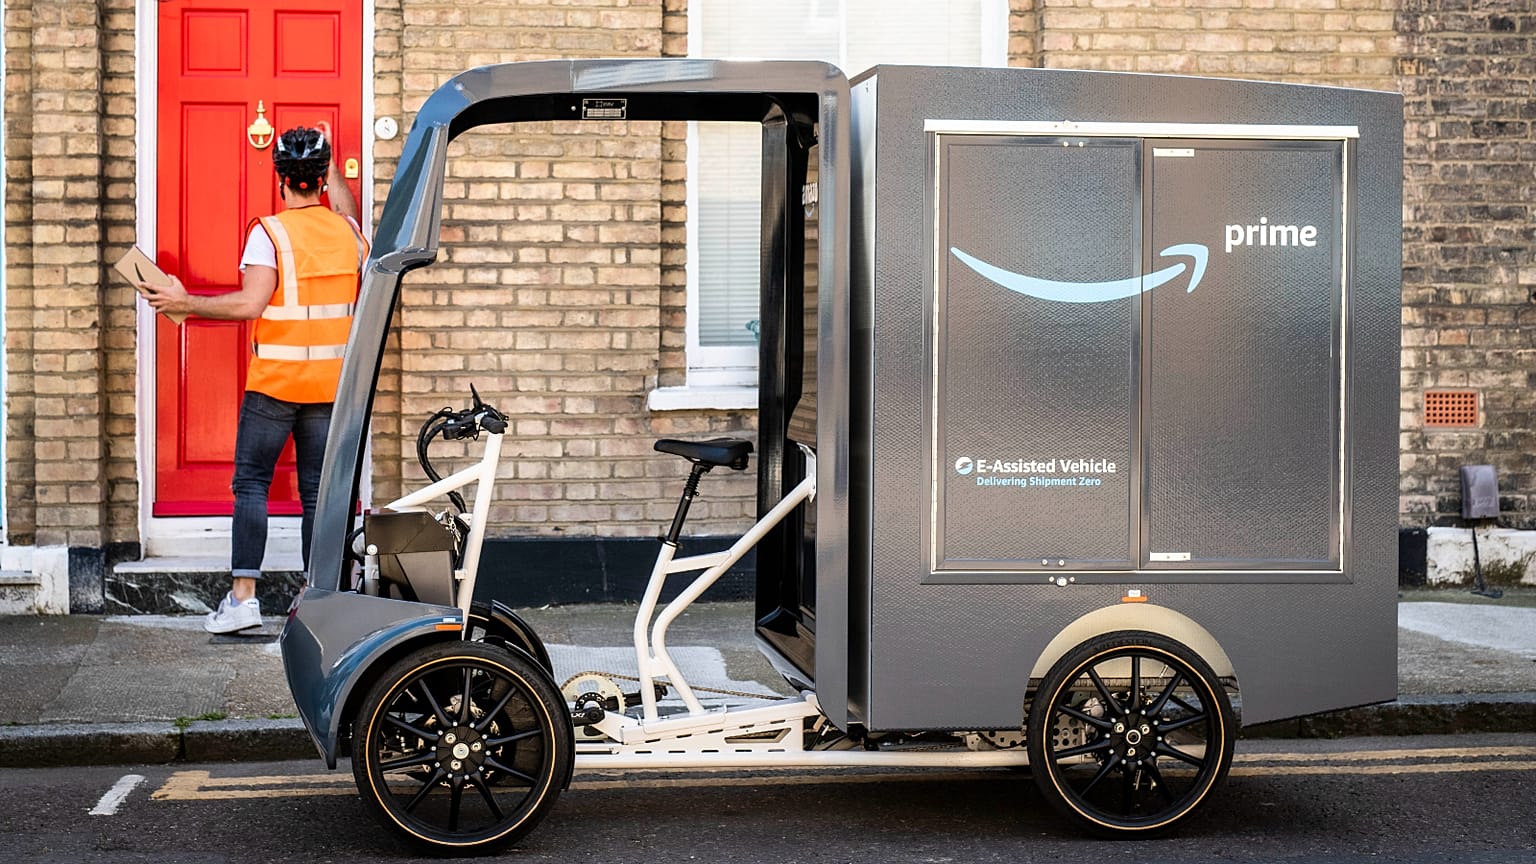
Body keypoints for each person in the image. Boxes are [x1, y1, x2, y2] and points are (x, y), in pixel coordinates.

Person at [142, 123, 367, 634]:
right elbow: (346, 209)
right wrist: (332, 166)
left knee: (251, 484)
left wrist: (184, 302)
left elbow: (249, 304)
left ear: (280, 179)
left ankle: (243, 600)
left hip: (275, 386)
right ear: (322, 178)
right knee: (318, 496)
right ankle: (317, 603)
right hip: (329, 388)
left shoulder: (271, 234)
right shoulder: (350, 234)